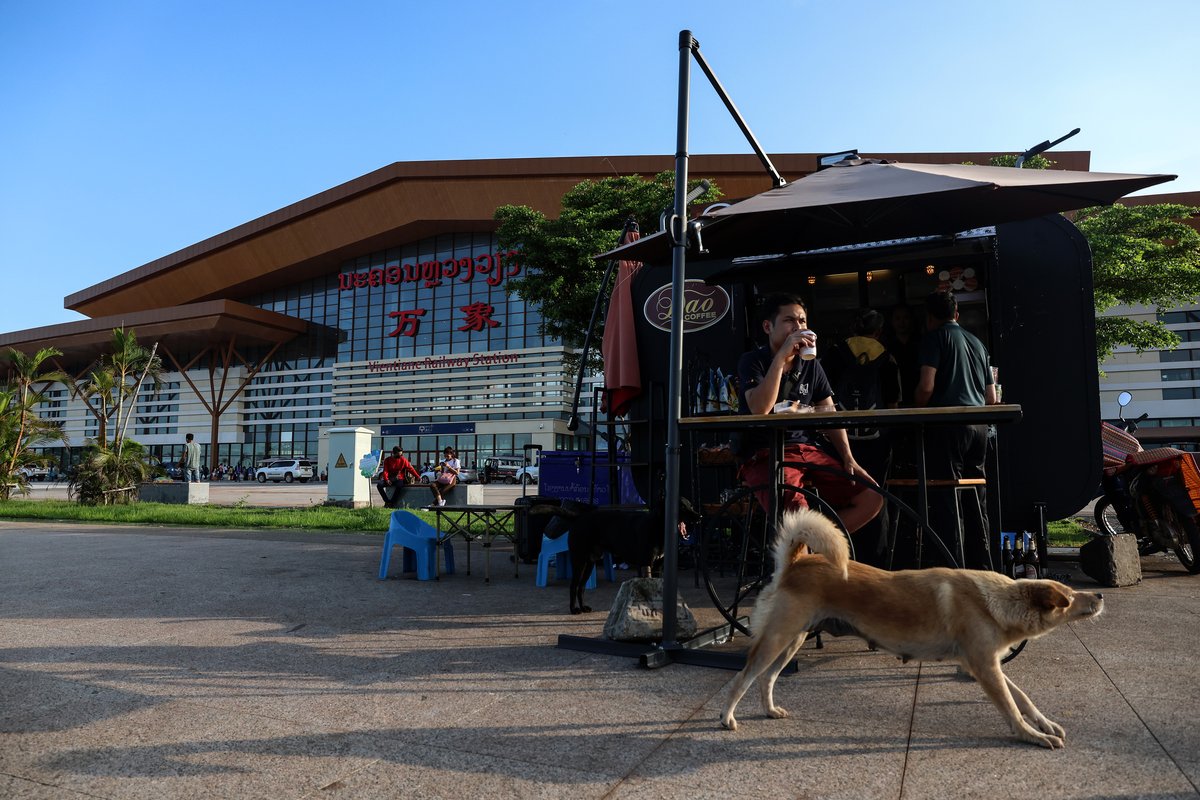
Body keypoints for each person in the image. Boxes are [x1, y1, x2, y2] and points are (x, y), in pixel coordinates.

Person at [736, 293, 883, 534]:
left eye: (803, 321)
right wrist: (782, 356)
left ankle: (817, 549)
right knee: (797, 513)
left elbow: (829, 412)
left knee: (872, 497)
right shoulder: (753, 361)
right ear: (767, 326)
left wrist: (848, 458)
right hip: (765, 453)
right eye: (789, 321)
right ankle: (806, 554)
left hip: (808, 450)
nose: (798, 327)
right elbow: (760, 408)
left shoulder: (812, 365)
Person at [914, 289, 998, 569]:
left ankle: (952, 568)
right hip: (979, 429)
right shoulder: (977, 343)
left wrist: (916, 408)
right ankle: (983, 567)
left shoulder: (934, 339)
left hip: (948, 426)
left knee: (948, 498)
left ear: (929, 317)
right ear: (956, 315)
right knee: (977, 497)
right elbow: (991, 398)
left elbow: (926, 386)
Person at [821, 308, 902, 565]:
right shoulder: (888, 359)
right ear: (879, 332)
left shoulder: (834, 354)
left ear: (852, 329)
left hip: (839, 441)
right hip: (877, 442)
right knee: (877, 497)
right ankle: (875, 561)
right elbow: (893, 407)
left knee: (838, 496)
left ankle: (836, 557)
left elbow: (821, 400)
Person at [883, 304, 921, 407]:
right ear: (892, 321)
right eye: (897, 318)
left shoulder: (920, 344)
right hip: (894, 401)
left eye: (906, 318)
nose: (902, 322)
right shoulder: (887, 346)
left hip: (917, 399)